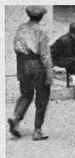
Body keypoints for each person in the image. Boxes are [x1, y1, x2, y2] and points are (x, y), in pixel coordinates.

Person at [8, 5, 53, 140]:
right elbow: (45, 55)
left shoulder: (21, 28)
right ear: (41, 17)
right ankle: (37, 130)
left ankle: (15, 119)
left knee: (26, 94)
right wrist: (49, 74)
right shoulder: (41, 31)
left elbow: (16, 47)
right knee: (42, 96)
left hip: (22, 63)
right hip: (36, 63)